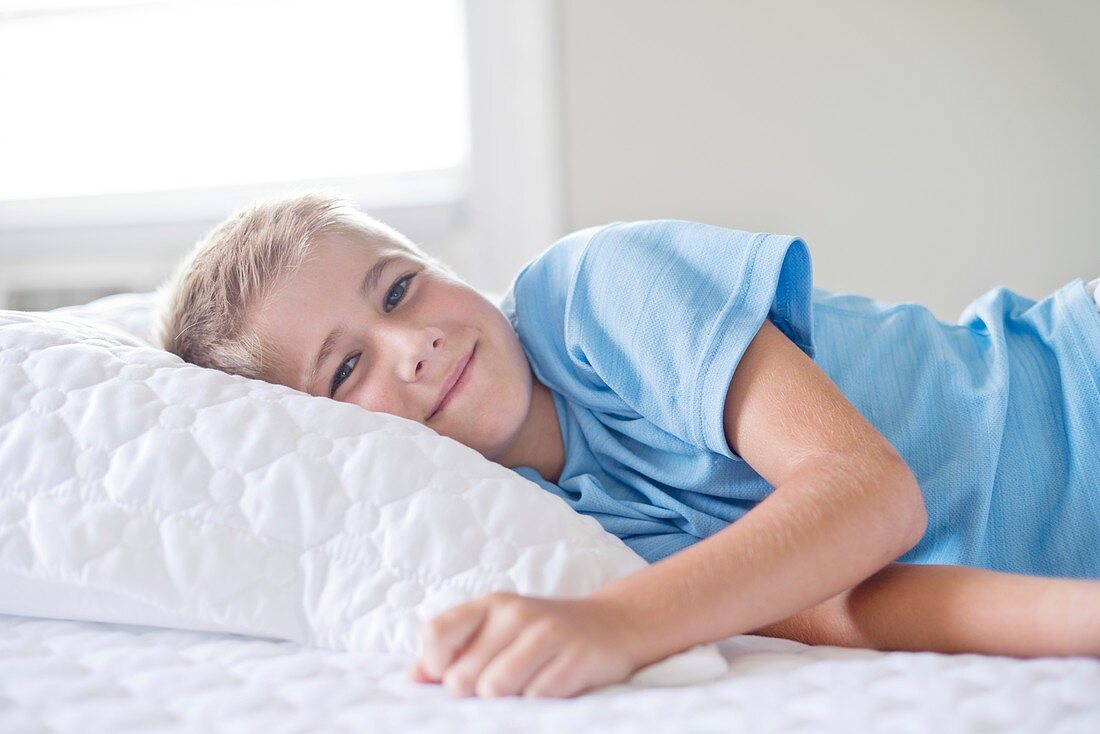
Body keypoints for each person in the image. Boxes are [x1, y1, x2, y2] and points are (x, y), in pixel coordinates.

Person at [156, 190, 1100, 700]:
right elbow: (854, 608)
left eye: (400, 289)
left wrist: (615, 625)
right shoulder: (550, 530)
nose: (414, 345)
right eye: (343, 371)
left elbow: (865, 494)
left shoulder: (595, 293)